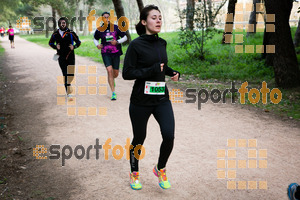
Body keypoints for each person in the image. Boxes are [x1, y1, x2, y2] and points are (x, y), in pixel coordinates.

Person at [122, 5, 180, 190]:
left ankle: (160, 168)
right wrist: (151, 70)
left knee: (169, 135)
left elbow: (162, 66)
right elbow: (127, 73)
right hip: (141, 101)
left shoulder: (162, 43)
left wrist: (172, 72)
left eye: (160, 18)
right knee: (139, 137)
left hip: (161, 98)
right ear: (144, 21)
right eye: (154, 17)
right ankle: (134, 172)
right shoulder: (135, 45)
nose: (158, 21)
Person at [93, 11, 127, 100]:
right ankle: (113, 92)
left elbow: (125, 37)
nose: (106, 19)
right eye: (104, 17)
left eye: (108, 17)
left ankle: (112, 79)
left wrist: (117, 42)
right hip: (105, 52)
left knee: (115, 73)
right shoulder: (99, 29)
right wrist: (97, 45)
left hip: (116, 52)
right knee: (109, 70)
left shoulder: (116, 27)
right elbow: (95, 39)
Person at [49, 17, 81, 100]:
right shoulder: (55, 34)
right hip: (61, 56)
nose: (62, 24)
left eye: (63, 23)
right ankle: (69, 92)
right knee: (65, 73)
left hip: (70, 56)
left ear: (66, 24)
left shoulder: (71, 33)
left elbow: (78, 42)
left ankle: (68, 85)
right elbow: (50, 43)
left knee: (71, 74)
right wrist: (55, 46)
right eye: (60, 23)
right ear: (58, 24)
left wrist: (74, 46)